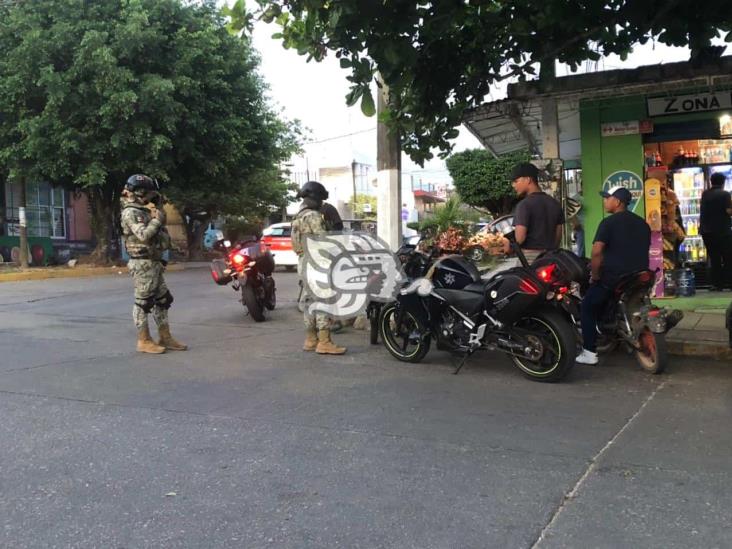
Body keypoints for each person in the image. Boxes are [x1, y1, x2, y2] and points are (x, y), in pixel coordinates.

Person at [576, 186, 650, 365]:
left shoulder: (608, 223)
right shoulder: (643, 224)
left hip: (615, 277)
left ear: (617, 202)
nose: (604, 201)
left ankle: (589, 352)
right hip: (640, 276)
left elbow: (596, 252)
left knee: (587, 306)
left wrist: (595, 275)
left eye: (607, 198)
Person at [120, 174, 187, 354]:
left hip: (153, 262)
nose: (151, 197)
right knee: (143, 302)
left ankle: (165, 337)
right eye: (148, 194)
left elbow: (159, 236)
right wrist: (157, 219)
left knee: (163, 300)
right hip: (142, 263)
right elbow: (143, 235)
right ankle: (144, 340)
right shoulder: (131, 213)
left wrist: (158, 210)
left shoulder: (144, 211)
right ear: (139, 192)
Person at [291, 181, 346, 355]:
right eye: (321, 199)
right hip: (317, 262)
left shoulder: (297, 217)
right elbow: (323, 241)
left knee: (309, 302)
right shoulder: (313, 216)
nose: (322, 203)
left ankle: (310, 339)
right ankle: (324, 342)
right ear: (314, 197)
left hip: (303, 262)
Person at [504, 162, 564, 263]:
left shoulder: (524, 205)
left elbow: (519, 239)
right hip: (551, 258)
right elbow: (558, 236)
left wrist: (507, 245)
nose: (513, 185)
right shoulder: (555, 203)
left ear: (528, 179)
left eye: (515, 181)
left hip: (530, 259)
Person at [699, 172, 732, 290]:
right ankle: (728, 282)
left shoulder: (705, 194)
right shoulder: (725, 194)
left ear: (711, 181)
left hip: (707, 231)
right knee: (728, 257)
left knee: (715, 258)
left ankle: (717, 284)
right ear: (723, 182)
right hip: (722, 231)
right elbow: (729, 211)